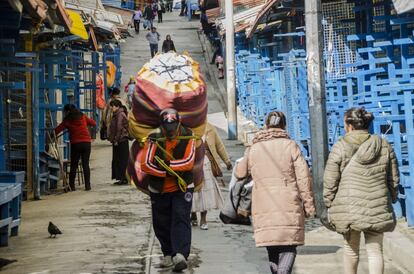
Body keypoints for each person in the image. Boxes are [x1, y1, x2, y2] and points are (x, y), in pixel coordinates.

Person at [235, 111, 316, 274]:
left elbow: (240, 173)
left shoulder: (255, 147)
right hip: (289, 203)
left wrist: (248, 154)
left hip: (263, 205)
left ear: (265, 126)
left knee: (272, 245)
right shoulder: (291, 146)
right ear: (284, 126)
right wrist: (309, 206)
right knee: (289, 245)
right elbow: (304, 178)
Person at [323, 107, 400, 274]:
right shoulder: (383, 145)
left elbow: (330, 179)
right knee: (375, 252)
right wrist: (392, 198)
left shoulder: (340, 146)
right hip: (377, 205)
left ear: (349, 126)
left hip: (349, 207)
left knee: (351, 250)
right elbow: (393, 178)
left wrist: (329, 202)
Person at [140, 108, 196, 272]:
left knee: (181, 218)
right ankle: (168, 252)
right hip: (159, 189)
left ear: (179, 123)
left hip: (182, 186)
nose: (170, 132)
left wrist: (166, 168)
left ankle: (180, 255)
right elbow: (146, 165)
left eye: (173, 127)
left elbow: (189, 162)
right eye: (167, 128)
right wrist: (167, 172)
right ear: (162, 125)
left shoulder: (189, 135)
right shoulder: (153, 137)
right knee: (161, 222)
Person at [191, 122, 232, 230]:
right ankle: (193, 214)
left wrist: (227, 161)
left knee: (206, 192)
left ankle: (203, 219)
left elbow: (219, 145)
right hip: (191, 165)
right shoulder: (186, 127)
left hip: (206, 165)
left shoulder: (210, 128)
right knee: (192, 191)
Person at [55, 104, 96, 191]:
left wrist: (51, 135)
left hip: (76, 144)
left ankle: (72, 186)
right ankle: (87, 186)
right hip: (86, 143)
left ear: (67, 111)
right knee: (86, 164)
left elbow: (57, 130)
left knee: (74, 165)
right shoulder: (82, 116)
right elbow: (93, 123)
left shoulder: (67, 120)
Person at [108, 100, 129, 185]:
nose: (111, 108)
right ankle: (121, 178)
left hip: (121, 141)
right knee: (118, 159)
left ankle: (124, 179)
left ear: (117, 106)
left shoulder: (120, 114)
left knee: (122, 160)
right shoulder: (117, 114)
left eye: (112, 106)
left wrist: (116, 140)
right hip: (119, 140)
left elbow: (119, 127)